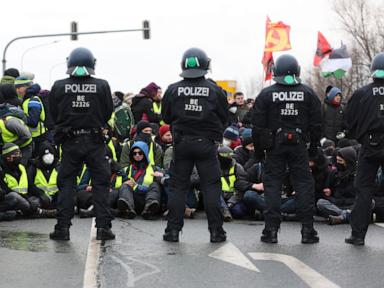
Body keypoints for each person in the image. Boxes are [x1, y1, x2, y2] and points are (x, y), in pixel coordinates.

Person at [252, 54, 322, 244]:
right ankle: (308, 230)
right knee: (304, 185)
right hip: (299, 146)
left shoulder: (267, 94)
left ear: (276, 71)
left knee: (273, 186)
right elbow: (317, 123)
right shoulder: (308, 93)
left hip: (274, 146)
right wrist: (313, 147)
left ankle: (271, 231)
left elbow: (257, 126)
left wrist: (259, 152)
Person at [161, 47, 229, 243]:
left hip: (182, 144)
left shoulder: (173, 89)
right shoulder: (215, 90)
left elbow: (166, 116)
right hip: (206, 145)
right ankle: (216, 232)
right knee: (211, 187)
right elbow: (225, 117)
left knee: (177, 187)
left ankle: (172, 231)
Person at [48, 47, 114, 241]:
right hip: (94, 141)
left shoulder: (59, 86)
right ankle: (103, 228)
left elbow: (53, 113)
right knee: (101, 184)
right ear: (92, 64)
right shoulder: (102, 85)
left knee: (66, 184)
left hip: (70, 141)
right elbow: (108, 112)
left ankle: (62, 228)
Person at [344, 52, 384, 245]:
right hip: (371, 144)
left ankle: (358, 235)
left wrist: (359, 136)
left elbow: (349, 121)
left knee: (363, 190)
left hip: (370, 146)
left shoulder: (362, 93)